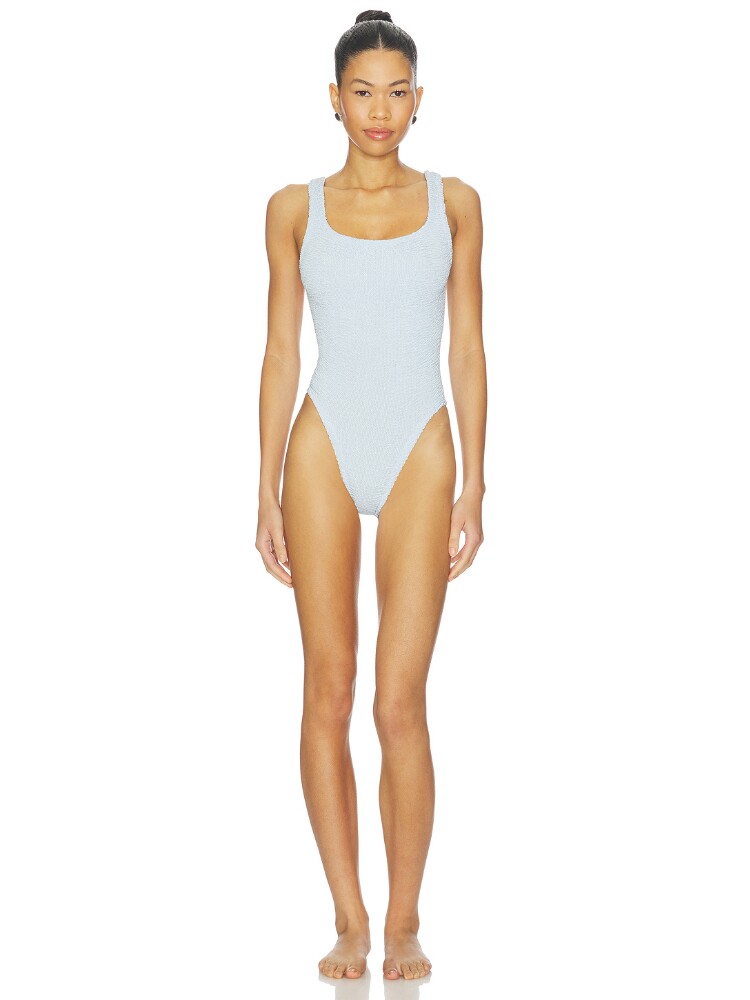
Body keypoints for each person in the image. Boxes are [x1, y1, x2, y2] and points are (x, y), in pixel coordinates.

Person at [256, 9, 486, 982]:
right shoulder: (292, 208)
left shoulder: (456, 203)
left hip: (421, 445)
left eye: (396, 92)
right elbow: (279, 351)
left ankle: (405, 919)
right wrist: (264, 486)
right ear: (335, 99)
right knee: (329, 685)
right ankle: (348, 917)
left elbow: (467, 347)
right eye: (362, 92)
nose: (379, 110)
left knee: (398, 701)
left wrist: (477, 480)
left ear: (418, 100)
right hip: (322, 442)